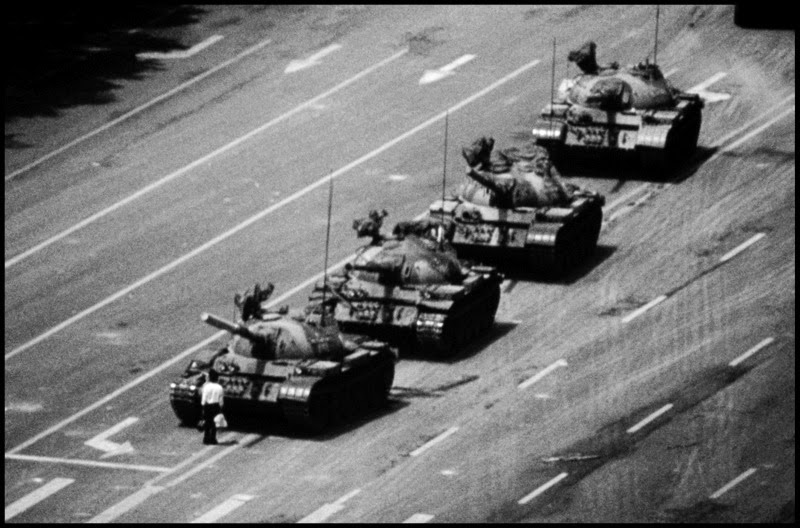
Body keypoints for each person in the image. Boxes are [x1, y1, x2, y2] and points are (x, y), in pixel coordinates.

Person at [200, 370, 224, 445]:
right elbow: (221, 400)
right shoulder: (220, 387)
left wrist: (203, 406)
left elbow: (204, 398)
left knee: (207, 422)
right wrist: (220, 408)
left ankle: (206, 438)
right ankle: (213, 438)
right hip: (216, 406)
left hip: (207, 405)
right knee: (214, 423)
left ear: (209, 377)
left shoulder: (206, 387)